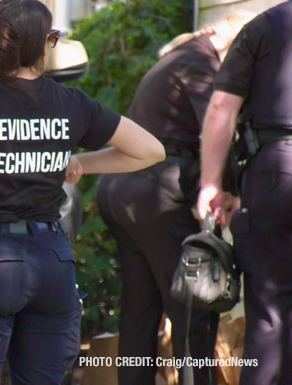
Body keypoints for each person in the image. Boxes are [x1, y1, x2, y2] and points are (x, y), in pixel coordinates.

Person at [0, 1, 165, 384]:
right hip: (50, 263)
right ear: (45, 45)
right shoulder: (72, 104)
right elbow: (150, 150)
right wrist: (79, 163)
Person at [95, 13, 252, 385]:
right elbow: (217, 128)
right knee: (192, 307)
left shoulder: (175, 59)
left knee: (140, 310)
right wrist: (232, 187)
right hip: (157, 194)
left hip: (121, 190)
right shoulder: (202, 63)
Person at [197, 2, 292, 384]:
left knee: (270, 313)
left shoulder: (264, 26)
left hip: (274, 171)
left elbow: (222, 107)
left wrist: (210, 183)